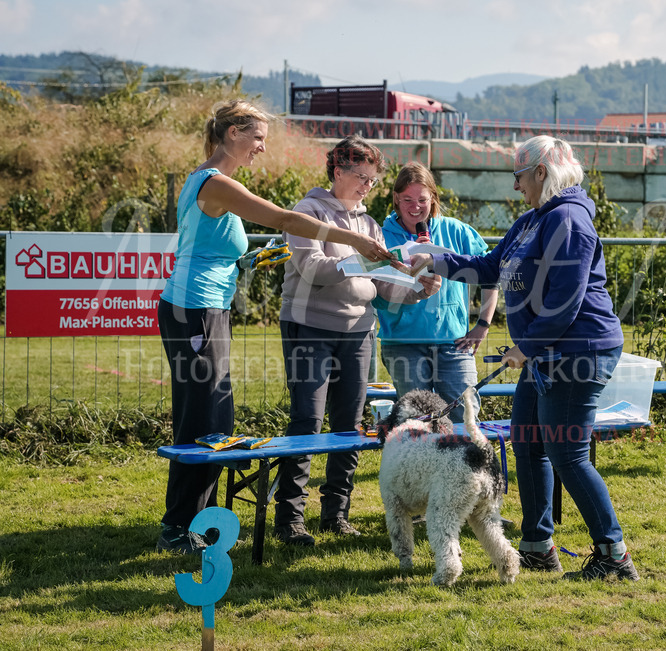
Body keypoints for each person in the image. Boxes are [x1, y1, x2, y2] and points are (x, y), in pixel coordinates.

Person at [158, 100, 397, 555]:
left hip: (205, 308)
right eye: (258, 138)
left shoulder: (210, 181)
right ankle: (178, 528)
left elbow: (202, 247)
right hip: (194, 309)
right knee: (203, 420)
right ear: (232, 133)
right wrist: (354, 239)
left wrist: (244, 261)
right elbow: (287, 220)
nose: (262, 148)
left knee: (215, 420)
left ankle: (196, 522)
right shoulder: (215, 182)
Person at [408, 135, 639, 581]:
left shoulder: (569, 220)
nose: (516, 186)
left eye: (519, 176)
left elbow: (566, 300)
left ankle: (614, 555)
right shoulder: (532, 220)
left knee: (567, 453)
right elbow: (489, 267)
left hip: (578, 351)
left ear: (540, 172)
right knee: (528, 441)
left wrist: (527, 346)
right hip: (547, 351)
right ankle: (536, 546)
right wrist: (433, 261)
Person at [273, 138, 441, 547]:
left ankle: (336, 513)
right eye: (361, 177)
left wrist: (418, 291)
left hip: (359, 331)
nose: (368, 186)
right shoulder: (307, 211)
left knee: (349, 424)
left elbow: (382, 285)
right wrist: (359, 254)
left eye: (372, 180)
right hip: (309, 328)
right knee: (307, 421)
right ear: (337, 172)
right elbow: (312, 268)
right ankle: (289, 517)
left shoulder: (368, 224)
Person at [374, 162, 499, 424]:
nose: (415, 207)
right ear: (396, 198)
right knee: (416, 421)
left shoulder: (456, 230)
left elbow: (491, 273)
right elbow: (376, 292)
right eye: (407, 199)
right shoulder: (382, 236)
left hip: (453, 343)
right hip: (403, 344)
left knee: (464, 416)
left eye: (422, 199)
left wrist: (483, 324)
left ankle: (463, 454)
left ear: (433, 197)